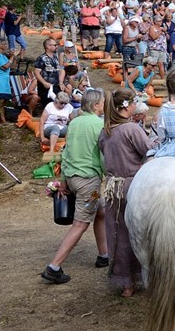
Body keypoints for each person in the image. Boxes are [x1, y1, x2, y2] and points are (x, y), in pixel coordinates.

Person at [40, 90, 109, 284]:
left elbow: (66, 151)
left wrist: (63, 179)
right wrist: (109, 175)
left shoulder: (75, 123)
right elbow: (103, 154)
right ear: (96, 105)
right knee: (80, 224)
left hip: (72, 177)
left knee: (101, 210)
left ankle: (104, 255)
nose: (104, 105)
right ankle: (54, 266)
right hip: (88, 181)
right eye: (103, 103)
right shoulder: (99, 125)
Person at [99, 87, 154, 297]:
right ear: (126, 106)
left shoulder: (105, 131)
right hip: (134, 185)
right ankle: (145, 275)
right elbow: (148, 150)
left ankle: (126, 283)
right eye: (133, 103)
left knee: (118, 233)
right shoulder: (131, 129)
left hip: (113, 187)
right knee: (140, 233)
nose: (135, 106)